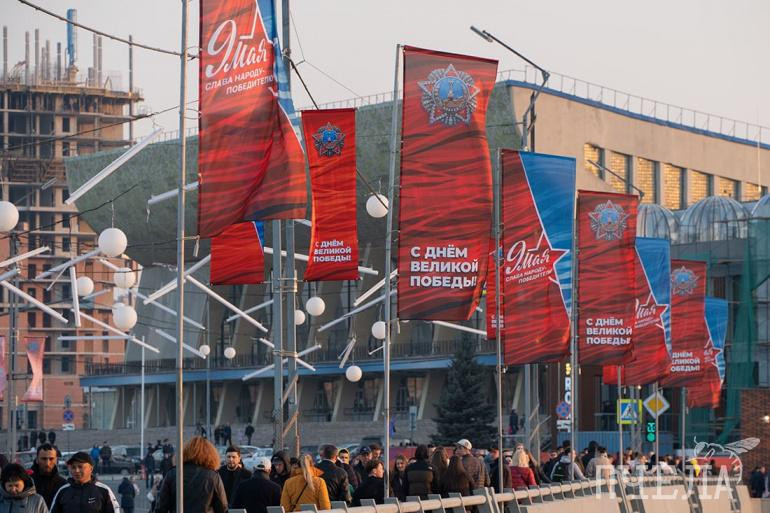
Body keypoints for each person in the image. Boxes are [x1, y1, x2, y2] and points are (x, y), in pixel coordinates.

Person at [154, 437, 227, 513]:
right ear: (210, 455)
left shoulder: (172, 474)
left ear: (185, 452)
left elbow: (161, 507)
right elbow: (222, 507)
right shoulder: (213, 476)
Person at [50, 451, 120, 513]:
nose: (76, 471)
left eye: (80, 467)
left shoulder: (104, 490)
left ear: (91, 468)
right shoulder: (63, 491)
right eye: (73, 467)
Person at [30, 443, 67, 508]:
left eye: (51, 459)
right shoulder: (27, 482)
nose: (47, 463)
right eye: (44, 459)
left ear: (56, 460)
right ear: (37, 460)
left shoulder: (63, 485)